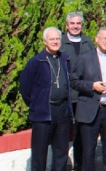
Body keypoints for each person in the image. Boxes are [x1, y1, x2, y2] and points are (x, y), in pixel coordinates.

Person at [70, 27, 106, 171]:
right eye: (104, 38)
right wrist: (92, 86)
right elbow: (74, 81)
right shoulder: (84, 58)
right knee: (88, 149)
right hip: (89, 110)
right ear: (96, 39)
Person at [20, 27, 73, 171]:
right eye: (52, 39)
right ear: (45, 42)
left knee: (61, 151)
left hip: (62, 111)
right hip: (43, 113)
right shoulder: (36, 61)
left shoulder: (65, 59)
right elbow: (24, 87)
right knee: (39, 153)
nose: (55, 42)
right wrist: (36, 104)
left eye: (57, 39)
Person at [59, 12, 94, 171]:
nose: (75, 26)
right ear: (67, 25)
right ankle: (63, 163)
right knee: (63, 133)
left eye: (78, 23)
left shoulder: (88, 43)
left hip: (84, 96)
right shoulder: (60, 43)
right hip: (66, 97)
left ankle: (79, 164)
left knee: (81, 133)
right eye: (72, 23)